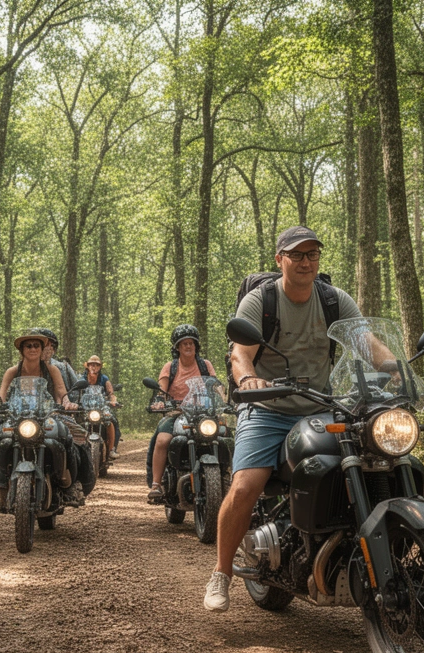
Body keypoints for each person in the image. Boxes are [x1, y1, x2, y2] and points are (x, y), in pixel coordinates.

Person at [203, 226, 362, 612]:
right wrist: (248, 378)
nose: (306, 262)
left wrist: (394, 367)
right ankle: (221, 573)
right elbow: (241, 353)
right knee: (245, 486)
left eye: (312, 255)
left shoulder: (334, 300)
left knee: (364, 465)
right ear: (280, 260)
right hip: (268, 408)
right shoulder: (262, 300)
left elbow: (365, 340)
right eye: (297, 255)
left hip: (324, 406)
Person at [0, 330, 90, 516]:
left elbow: (62, 394)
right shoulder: (13, 371)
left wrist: (67, 403)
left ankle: (68, 483)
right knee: (2, 438)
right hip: (17, 417)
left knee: (64, 437)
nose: (32, 349)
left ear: (42, 349)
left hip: (46, 415)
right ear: (22, 350)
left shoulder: (52, 369)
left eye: (36, 345)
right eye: (28, 346)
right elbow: (0, 395)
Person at [146, 324, 218, 502]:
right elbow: (161, 391)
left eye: (191, 343)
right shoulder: (170, 367)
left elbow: (216, 388)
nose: (188, 346)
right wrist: (159, 401)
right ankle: (156, 484)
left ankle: (228, 477)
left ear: (196, 346)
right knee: (163, 439)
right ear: (177, 347)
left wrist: (223, 400)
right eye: (183, 343)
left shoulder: (205, 365)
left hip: (203, 413)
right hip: (175, 413)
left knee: (225, 436)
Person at [80, 355, 120, 459]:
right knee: (76, 421)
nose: (94, 367)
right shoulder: (82, 379)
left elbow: (111, 393)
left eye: (96, 365)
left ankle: (111, 449)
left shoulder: (104, 378)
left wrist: (113, 401)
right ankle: (77, 448)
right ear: (87, 366)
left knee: (111, 421)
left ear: (100, 367)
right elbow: (76, 392)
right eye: (91, 365)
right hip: (85, 408)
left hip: (101, 407)